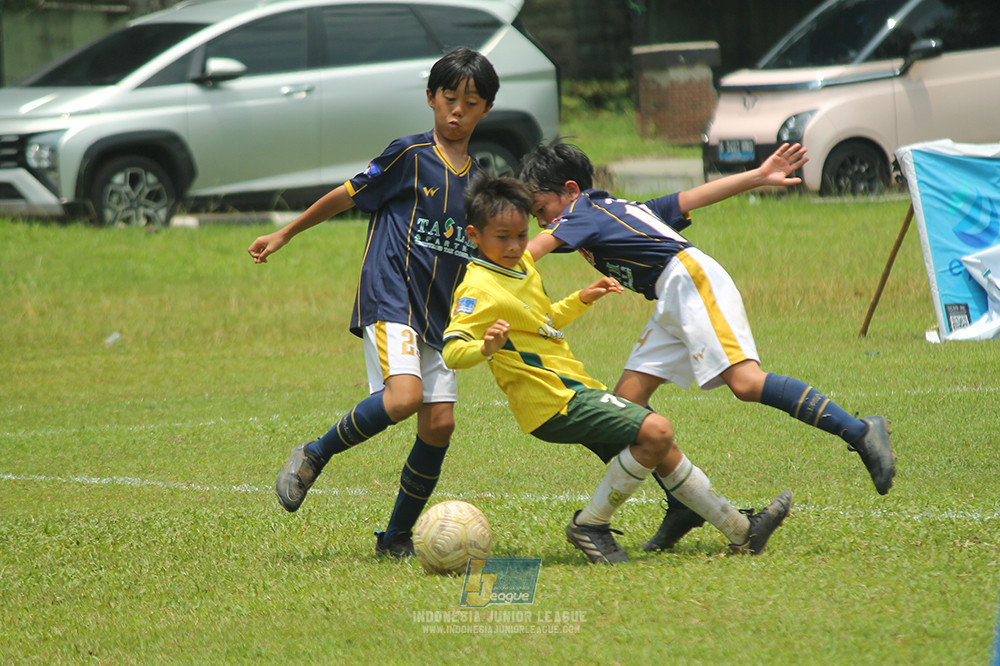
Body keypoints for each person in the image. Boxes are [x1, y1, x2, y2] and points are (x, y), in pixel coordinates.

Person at [519, 139, 895, 552]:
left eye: (540, 210)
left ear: (570, 191)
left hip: (690, 281)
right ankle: (682, 506)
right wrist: (757, 176)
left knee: (747, 383)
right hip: (671, 296)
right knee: (629, 405)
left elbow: (532, 252)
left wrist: (489, 264)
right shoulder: (621, 210)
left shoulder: (581, 212)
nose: (542, 223)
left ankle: (860, 430)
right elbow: (692, 196)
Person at [442, 175, 792, 564]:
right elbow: (453, 351)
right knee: (657, 430)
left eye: (522, 235)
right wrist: (485, 347)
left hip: (574, 388)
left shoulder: (522, 266)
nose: (514, 246)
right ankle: (590, 524)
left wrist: (581, 298)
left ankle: (743, 532)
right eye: (501, 237)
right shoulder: (476, 289)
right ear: (473, 235)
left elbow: (541, 321)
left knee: (662, 449)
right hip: (551, 402)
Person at [247, 47, 500, 557]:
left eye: (470, 103)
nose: (457, 111)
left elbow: (488, 251)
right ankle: (313, 454)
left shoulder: (480, 181)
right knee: (404, 398)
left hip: (441, 314)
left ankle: (396, 539)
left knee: (440, 423)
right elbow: (346, 193)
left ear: (486, 110)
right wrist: (287, 233)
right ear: (430, 98)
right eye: (448, 98)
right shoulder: (410, 155)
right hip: (391, 295)